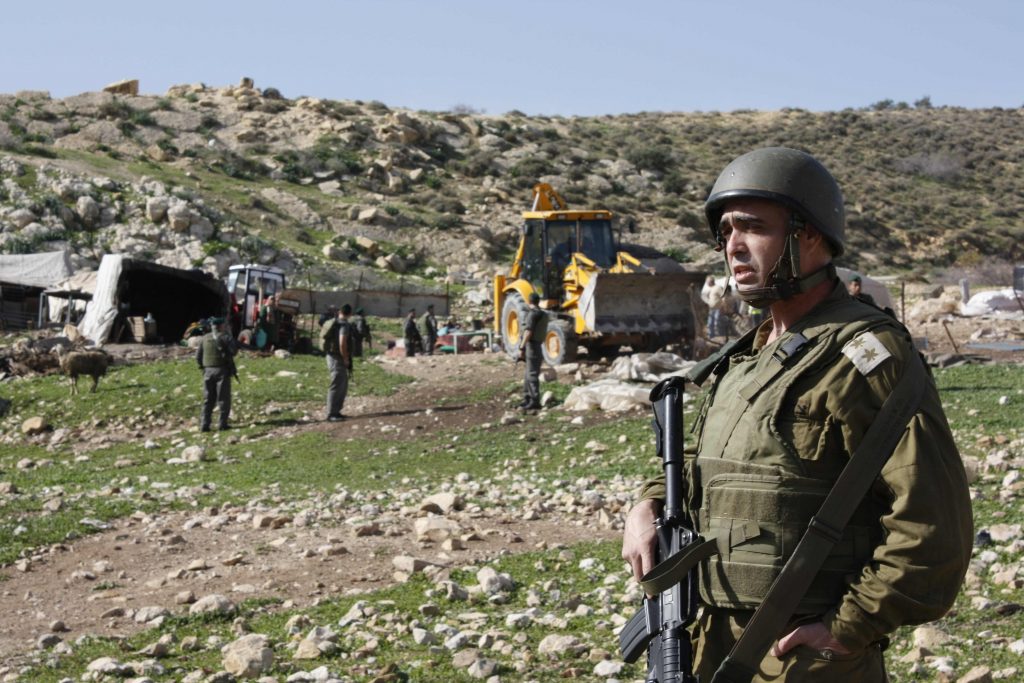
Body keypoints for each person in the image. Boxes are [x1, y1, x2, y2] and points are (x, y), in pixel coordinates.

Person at [621, 147, 972, 682]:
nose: (733, 247)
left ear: (810, 235)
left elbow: (933, 523)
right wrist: (645, 505)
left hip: (798, 656)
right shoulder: (747, 357)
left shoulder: (867, 355)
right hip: (708, 639)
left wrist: (847, 627)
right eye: (725, 233)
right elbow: (705, 465)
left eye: (752, 228)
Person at [195, 317, 237, 432]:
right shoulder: (226, 337)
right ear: (221, 326)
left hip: (208, 371)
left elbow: (198, 356)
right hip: (222, 371)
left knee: (208, 399)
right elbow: (234, 352)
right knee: (223, 398)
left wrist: (203, 368)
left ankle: (204, 424)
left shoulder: (205, 338)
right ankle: (222, 424)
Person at [517, 292, 548, 410]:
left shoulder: (532, 314)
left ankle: (534, 400)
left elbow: (528, 332)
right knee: (528, 373)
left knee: (531, 374)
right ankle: (527, 398)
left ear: (529, 301)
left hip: (532, 346)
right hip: (538, 345)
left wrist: (521, 347)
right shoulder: (543, 314)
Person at [324, 303, 353, 422]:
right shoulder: (343, 325)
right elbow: (342, 343)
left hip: (332, 355)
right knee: (337, 384)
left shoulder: (334, 322)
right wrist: (346, 358)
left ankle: (336, 411)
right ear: (350, 313)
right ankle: (331, 414)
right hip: (337, 357)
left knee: (342, 383)